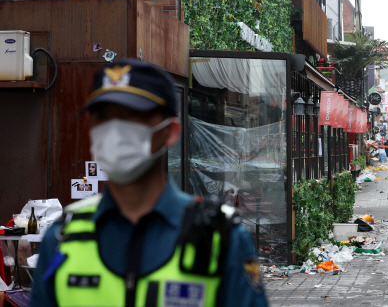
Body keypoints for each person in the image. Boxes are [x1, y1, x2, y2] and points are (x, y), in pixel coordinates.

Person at [30, 59, 268, 307]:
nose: (115, 131)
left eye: (132, 116)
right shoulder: (63, 238)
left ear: (171, 131)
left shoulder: (219, 236)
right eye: (103, 117)